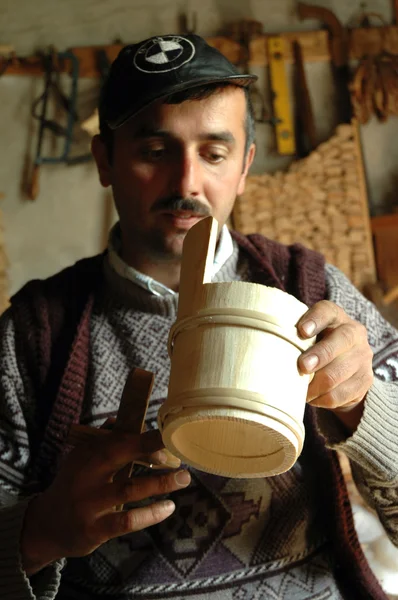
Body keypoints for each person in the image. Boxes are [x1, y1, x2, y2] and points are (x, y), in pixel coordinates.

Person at [0, 33, 397, 600]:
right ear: (105, 160)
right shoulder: (33, 337)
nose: (187, 182)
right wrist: (39, 533)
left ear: (244, 167)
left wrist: (364, 408)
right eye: (154, 152)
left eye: (214, 154)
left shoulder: (309, 289)